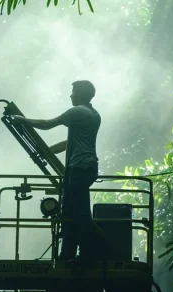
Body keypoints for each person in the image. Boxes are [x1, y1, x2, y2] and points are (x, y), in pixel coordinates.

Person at [10, 80, 106, 264]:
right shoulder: (93, 114)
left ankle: (94, 250)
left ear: (79, 94)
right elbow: (69, 143)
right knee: (68, 211)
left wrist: (21, 120)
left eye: (73, 91)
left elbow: (47, 124)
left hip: (79, 167)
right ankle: (67, 253)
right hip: (85, 167)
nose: (70, 95)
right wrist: (45, 151)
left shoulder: (76, 112)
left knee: (80, 214)